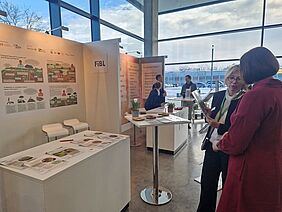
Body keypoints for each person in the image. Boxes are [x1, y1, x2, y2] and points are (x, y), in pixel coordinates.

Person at [213, 47, 282, 212]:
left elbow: (237, 142)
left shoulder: (255, 95)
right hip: (274, 164)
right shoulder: (278, 90)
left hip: (251, 168)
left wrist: (220, 143)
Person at [197, 65, 246, 212]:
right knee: (207, 183)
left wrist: (218, 125)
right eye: (231, 78)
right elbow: (210, 120)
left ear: (243, 81)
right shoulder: (218, 96)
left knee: (228, 186)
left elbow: (238, 128)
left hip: (229, 149)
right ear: (226, 79)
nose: (234, 82)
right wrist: (207, 115)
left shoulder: (244, 99)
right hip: (212, 145)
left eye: (238, 79)